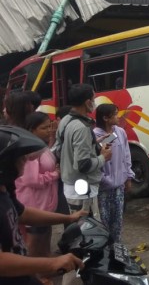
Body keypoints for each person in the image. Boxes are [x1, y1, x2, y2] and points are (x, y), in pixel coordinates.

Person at [0, 125, 86, 285]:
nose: (25, 161)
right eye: (19, 158)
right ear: (4, 164)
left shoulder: (5, 189)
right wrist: (52, 263)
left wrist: (68, 217)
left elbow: (23, 213)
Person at [57, 84, 111, 218]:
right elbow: (83, 164)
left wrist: (93, 144)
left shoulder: (65, 120)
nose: (94, 102)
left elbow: (60, 151)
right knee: (87, 232)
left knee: (76, 230)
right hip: (82, 189)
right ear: (87, 102)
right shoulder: (82, 127)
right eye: (94, 99)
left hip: (70, 186)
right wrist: (103, 157)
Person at [15, 112, 59, 258]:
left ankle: (45, 266)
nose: (49, 130)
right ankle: (35, 275)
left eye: (49, 126)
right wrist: (55, 174)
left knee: (44, 237)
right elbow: (31, 180)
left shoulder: (41, 145)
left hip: (44, 203)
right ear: (32, 129)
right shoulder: (31, 149)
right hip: (34, 204)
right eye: (44, 128)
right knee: (34, 242)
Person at [93, 104, 134, 244]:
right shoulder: (95, 136)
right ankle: (106, 252)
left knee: (118, 222)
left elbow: (126, 155)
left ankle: (116, 251)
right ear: (105, 118)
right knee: (104, 223)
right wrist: (106, 181)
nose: (119, 117)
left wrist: (128, 176)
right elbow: (94, 162)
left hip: (119, 187)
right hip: (103, 188)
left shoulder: (120, 131)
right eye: (115, 114)